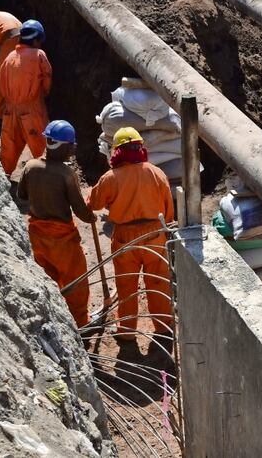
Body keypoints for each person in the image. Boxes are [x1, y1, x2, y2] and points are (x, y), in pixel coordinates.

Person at [88, 127, 175, 359]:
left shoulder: (111, 177)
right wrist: (161, 230)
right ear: (140, 147)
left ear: (116, 151)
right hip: (155, 236)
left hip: (125, 237)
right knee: (158, 282)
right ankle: (164, 327)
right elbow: (169, 210)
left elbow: (94, 204)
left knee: (126, 285)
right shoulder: (156, 173)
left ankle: (126, 332)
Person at [17, 120, 95, 329]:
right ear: (62, 146)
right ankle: (80, 324)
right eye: (71, 145)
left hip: (37, 234)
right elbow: (79, 209)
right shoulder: (65, 174)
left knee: (48, 279)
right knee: (75, 281)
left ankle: (54, 319)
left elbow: (21, 195)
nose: (73, 149)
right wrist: (91, 217)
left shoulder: (31, 166)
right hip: (62, 239)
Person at [0, 20, 51, 177]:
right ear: (36, 39)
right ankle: (47, 179)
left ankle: (3, 178)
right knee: (42, 148)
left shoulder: (9, 57)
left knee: (8, 148)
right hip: (32, 108)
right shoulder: (39, 55)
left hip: (10, 110)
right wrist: (42, 94)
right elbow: (47, 77)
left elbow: (0, 82)